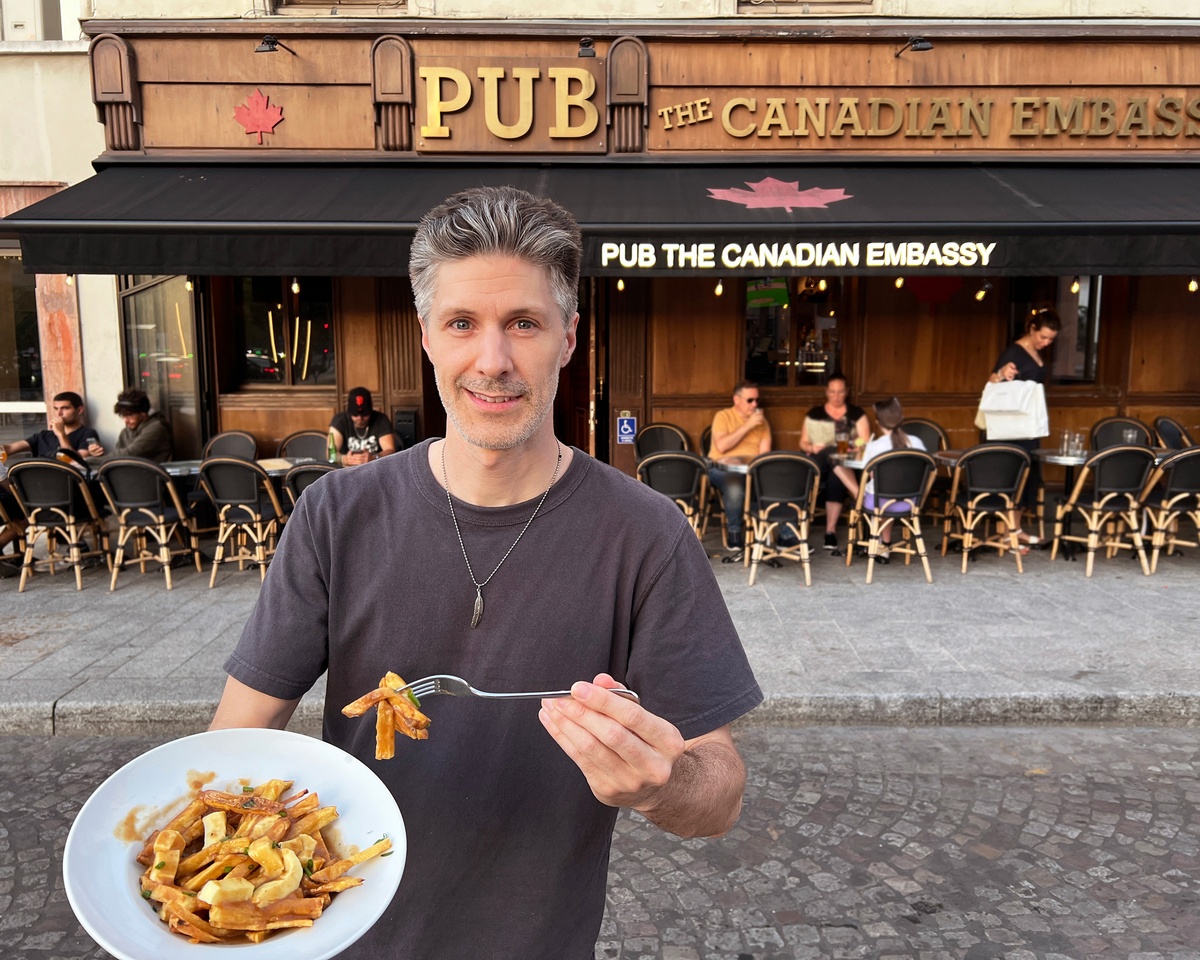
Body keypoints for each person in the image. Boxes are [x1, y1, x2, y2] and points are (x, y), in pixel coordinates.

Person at [209, 185, 761, 960]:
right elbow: (238, 741)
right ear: (428, 337)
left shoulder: (647, 535)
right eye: (463, 323)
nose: (493, 361)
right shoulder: (336, 516)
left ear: (569, 337)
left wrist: (660, 784)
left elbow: (720, 794)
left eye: (524, 324)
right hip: (339, 936)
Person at [986, 307, 1061, 550]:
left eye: (1051, 339)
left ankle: (1016, 530)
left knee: (1026, 478)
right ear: (1032, 329)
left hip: (1028, 425)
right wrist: (1000, 373)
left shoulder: (1036, 352)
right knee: (1012, 476)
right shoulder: (1014, 351)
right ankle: (1008, 534)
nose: (1046, 342)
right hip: (1011, 428)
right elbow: (991, 382)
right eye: (1043, 337)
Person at [799, 374, 870, 552]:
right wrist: (813, 447)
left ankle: (830, 532)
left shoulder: (856, 414)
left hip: (844, 464)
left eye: (840, 392)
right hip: (817, 462)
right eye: (832, 392)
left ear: (846, 392)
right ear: (826, 392)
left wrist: (854, 445)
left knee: (836, 479)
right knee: (831, 451)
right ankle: (861, 497)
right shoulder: (815, 413)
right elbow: (803, 443)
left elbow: (865, 440)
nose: (836, 396)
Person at [706, 380, 771, 551]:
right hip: (721, 469)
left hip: (751, 469)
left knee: (775, 481)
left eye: (757, 400)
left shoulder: (762, 422)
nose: (755, 404)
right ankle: (734, 533)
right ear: (737, 399)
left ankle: (787, 536)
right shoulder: (723, 416)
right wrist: (748, 426)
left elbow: (764, 454)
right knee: (735, 486)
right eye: (750, 400)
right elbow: (722, 446)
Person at [859, 397, 926, 563]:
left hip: (881, 503)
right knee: (890, 490)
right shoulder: (917, 443)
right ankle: (885, 543)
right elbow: (926, 470)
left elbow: (871, 475)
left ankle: (881, 544)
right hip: (910, 502)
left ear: (878, 422)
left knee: (879, 492)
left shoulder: (875, 447)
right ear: (901, 418)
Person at [0, 391, 103, 461]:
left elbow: (75, 462)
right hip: (36, 481)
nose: (59, 414)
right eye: (56, 409)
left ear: (79, 410)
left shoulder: (86, 434)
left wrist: (61, 434)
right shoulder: (44, 435)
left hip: (65, 484)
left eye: (65, 408)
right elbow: (10, 448)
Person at [327, 387, 397, 466]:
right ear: (349, 412)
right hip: (346, 471)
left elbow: (390, 450)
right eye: (355, 414)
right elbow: (330, 454)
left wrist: (374, 458)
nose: (360, 418)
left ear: (370, 411)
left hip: (374, 468)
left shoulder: (381, 419)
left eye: (364, 414)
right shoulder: (340, 420)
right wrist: (344, 459)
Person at [112, 388, 173, 462]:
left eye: (130, 415)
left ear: (143, 413)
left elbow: (128, 454)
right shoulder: (125, 432)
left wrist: (94, 460)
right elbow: (116, 457)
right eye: (123, 416)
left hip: (151, 472)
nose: (126, 421)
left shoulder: (156, 428)